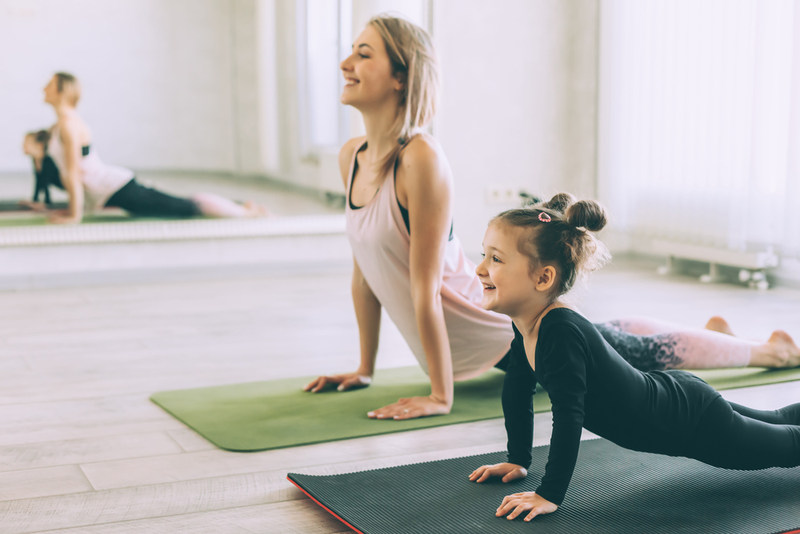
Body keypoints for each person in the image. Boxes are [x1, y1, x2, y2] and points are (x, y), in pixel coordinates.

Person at [303, 15, 799, 420]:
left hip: (499, 323)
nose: (346, 62)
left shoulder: (421, 159)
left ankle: (771, 352)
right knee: (611, 334)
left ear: (401, 75)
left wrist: (439, 396)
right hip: (478, 332)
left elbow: (424, 287)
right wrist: (364, 368)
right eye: (351, 51)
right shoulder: (352, 156)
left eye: (363, 54)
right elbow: (365, 276)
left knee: (630, 355)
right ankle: (720, 337)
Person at [468, 195, 800, 522]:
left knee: (790, 445)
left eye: (496, 259)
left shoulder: (560, 331)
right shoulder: (527, 324)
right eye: (484, 255)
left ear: (543, 278)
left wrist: (549, 493)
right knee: (777, 418)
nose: (480, 268)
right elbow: (517, 388)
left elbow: (568, 416)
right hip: (679, 399)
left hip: (691, 423)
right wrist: (518, 459)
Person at [41, 72, 265, 224]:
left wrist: (75, 215)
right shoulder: (61, 125)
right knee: (183, 204)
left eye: (49, 84)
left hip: (116, 188)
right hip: (111, 189)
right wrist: (74, 210)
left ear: (63, 91)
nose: (44, 88)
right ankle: (241, 209)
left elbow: (72, 173)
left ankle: (247, 213)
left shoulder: (69, 126)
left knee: (188, 207)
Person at [21, 129, 62, 210]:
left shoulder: (48, 161)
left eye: (26, 143)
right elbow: (39, 181)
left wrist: (45, 203)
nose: (23, 146)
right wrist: (35, 200)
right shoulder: (35, 160)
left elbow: (45, 182)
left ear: (39, 145)